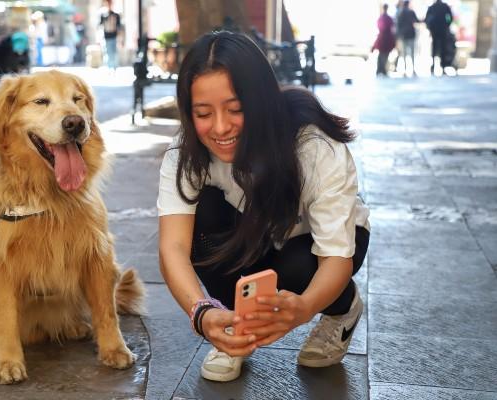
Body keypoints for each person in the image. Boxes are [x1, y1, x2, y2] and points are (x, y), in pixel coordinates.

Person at [158, 31, 370, 382]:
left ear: (260, 101)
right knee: (203, 217)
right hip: (248, 238)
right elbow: (174, 247)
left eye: (236, 109)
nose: (221, 127)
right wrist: (203, 313)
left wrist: (302, 309)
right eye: (203, 113)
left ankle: (342, 307)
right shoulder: (186, 154)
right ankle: (230, 324)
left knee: (301, 266)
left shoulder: (314, 144)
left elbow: (335, 256)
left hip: (309, 248)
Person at [425, 0, 453, 75]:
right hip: (442, 30)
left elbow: (427, 19)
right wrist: (447, 25)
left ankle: (434, 66)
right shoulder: (444, 6)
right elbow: (449, 17)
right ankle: (442, 66)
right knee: (443, 48)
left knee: (434, 48)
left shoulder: (432, 7)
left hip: (435, 31)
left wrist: (430, 28)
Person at [396, 0, 420, 77]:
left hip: (404, 35)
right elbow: (417, 20)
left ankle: (405, 70)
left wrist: (398, 35)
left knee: (405, 53)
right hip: (411, 34)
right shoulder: (411, 12)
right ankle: (413, 70)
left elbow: (398, 25)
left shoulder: (401, 13)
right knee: (412, 53)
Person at [372, 4, 396, 76]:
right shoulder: (387, 18)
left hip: (383, 38)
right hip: (386, 38)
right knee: (384, 55)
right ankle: (381, 69)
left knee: (382, 55)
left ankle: (381, 69)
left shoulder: (382, 18)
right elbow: (392, 28)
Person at [99, 0, 121, 69]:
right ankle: (109, 67)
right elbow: (100, 26)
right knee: (108, 52)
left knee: (114, 52)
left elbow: (119, 27)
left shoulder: (116, 15)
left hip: (114, 36)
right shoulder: (103, 15)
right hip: (106, 36)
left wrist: (120, 38)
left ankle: (114, 67)